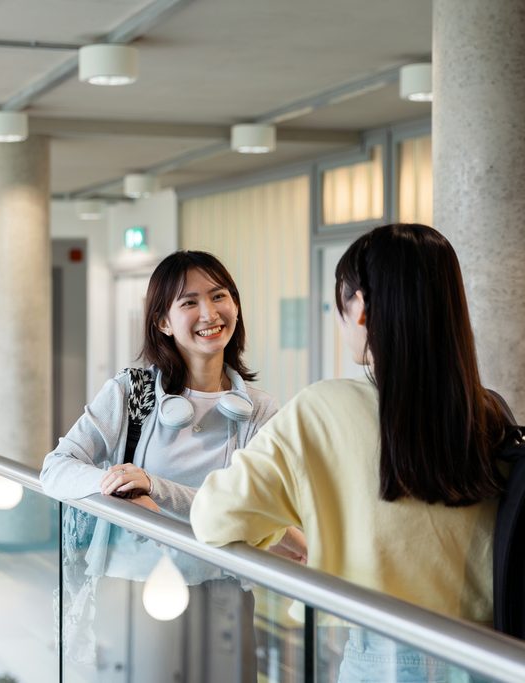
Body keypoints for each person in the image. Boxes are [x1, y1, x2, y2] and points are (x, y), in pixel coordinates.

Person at [191, 223, 514, 682]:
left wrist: (278, 529)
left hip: (385, 658)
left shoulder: (322, 408)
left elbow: (213, 517)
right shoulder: (488, 412)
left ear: (360, 308)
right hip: (494, 656)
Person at [40, 250, 280, 676]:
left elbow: (251, 510)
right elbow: (56, 469)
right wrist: (117, 484)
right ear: (163, 322)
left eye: (219, 296)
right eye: (189, 302)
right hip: (135, 586)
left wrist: (153, 486)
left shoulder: (257, 410)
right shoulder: (132, 394)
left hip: (223, 585)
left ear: (236, 306)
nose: (209, 312)